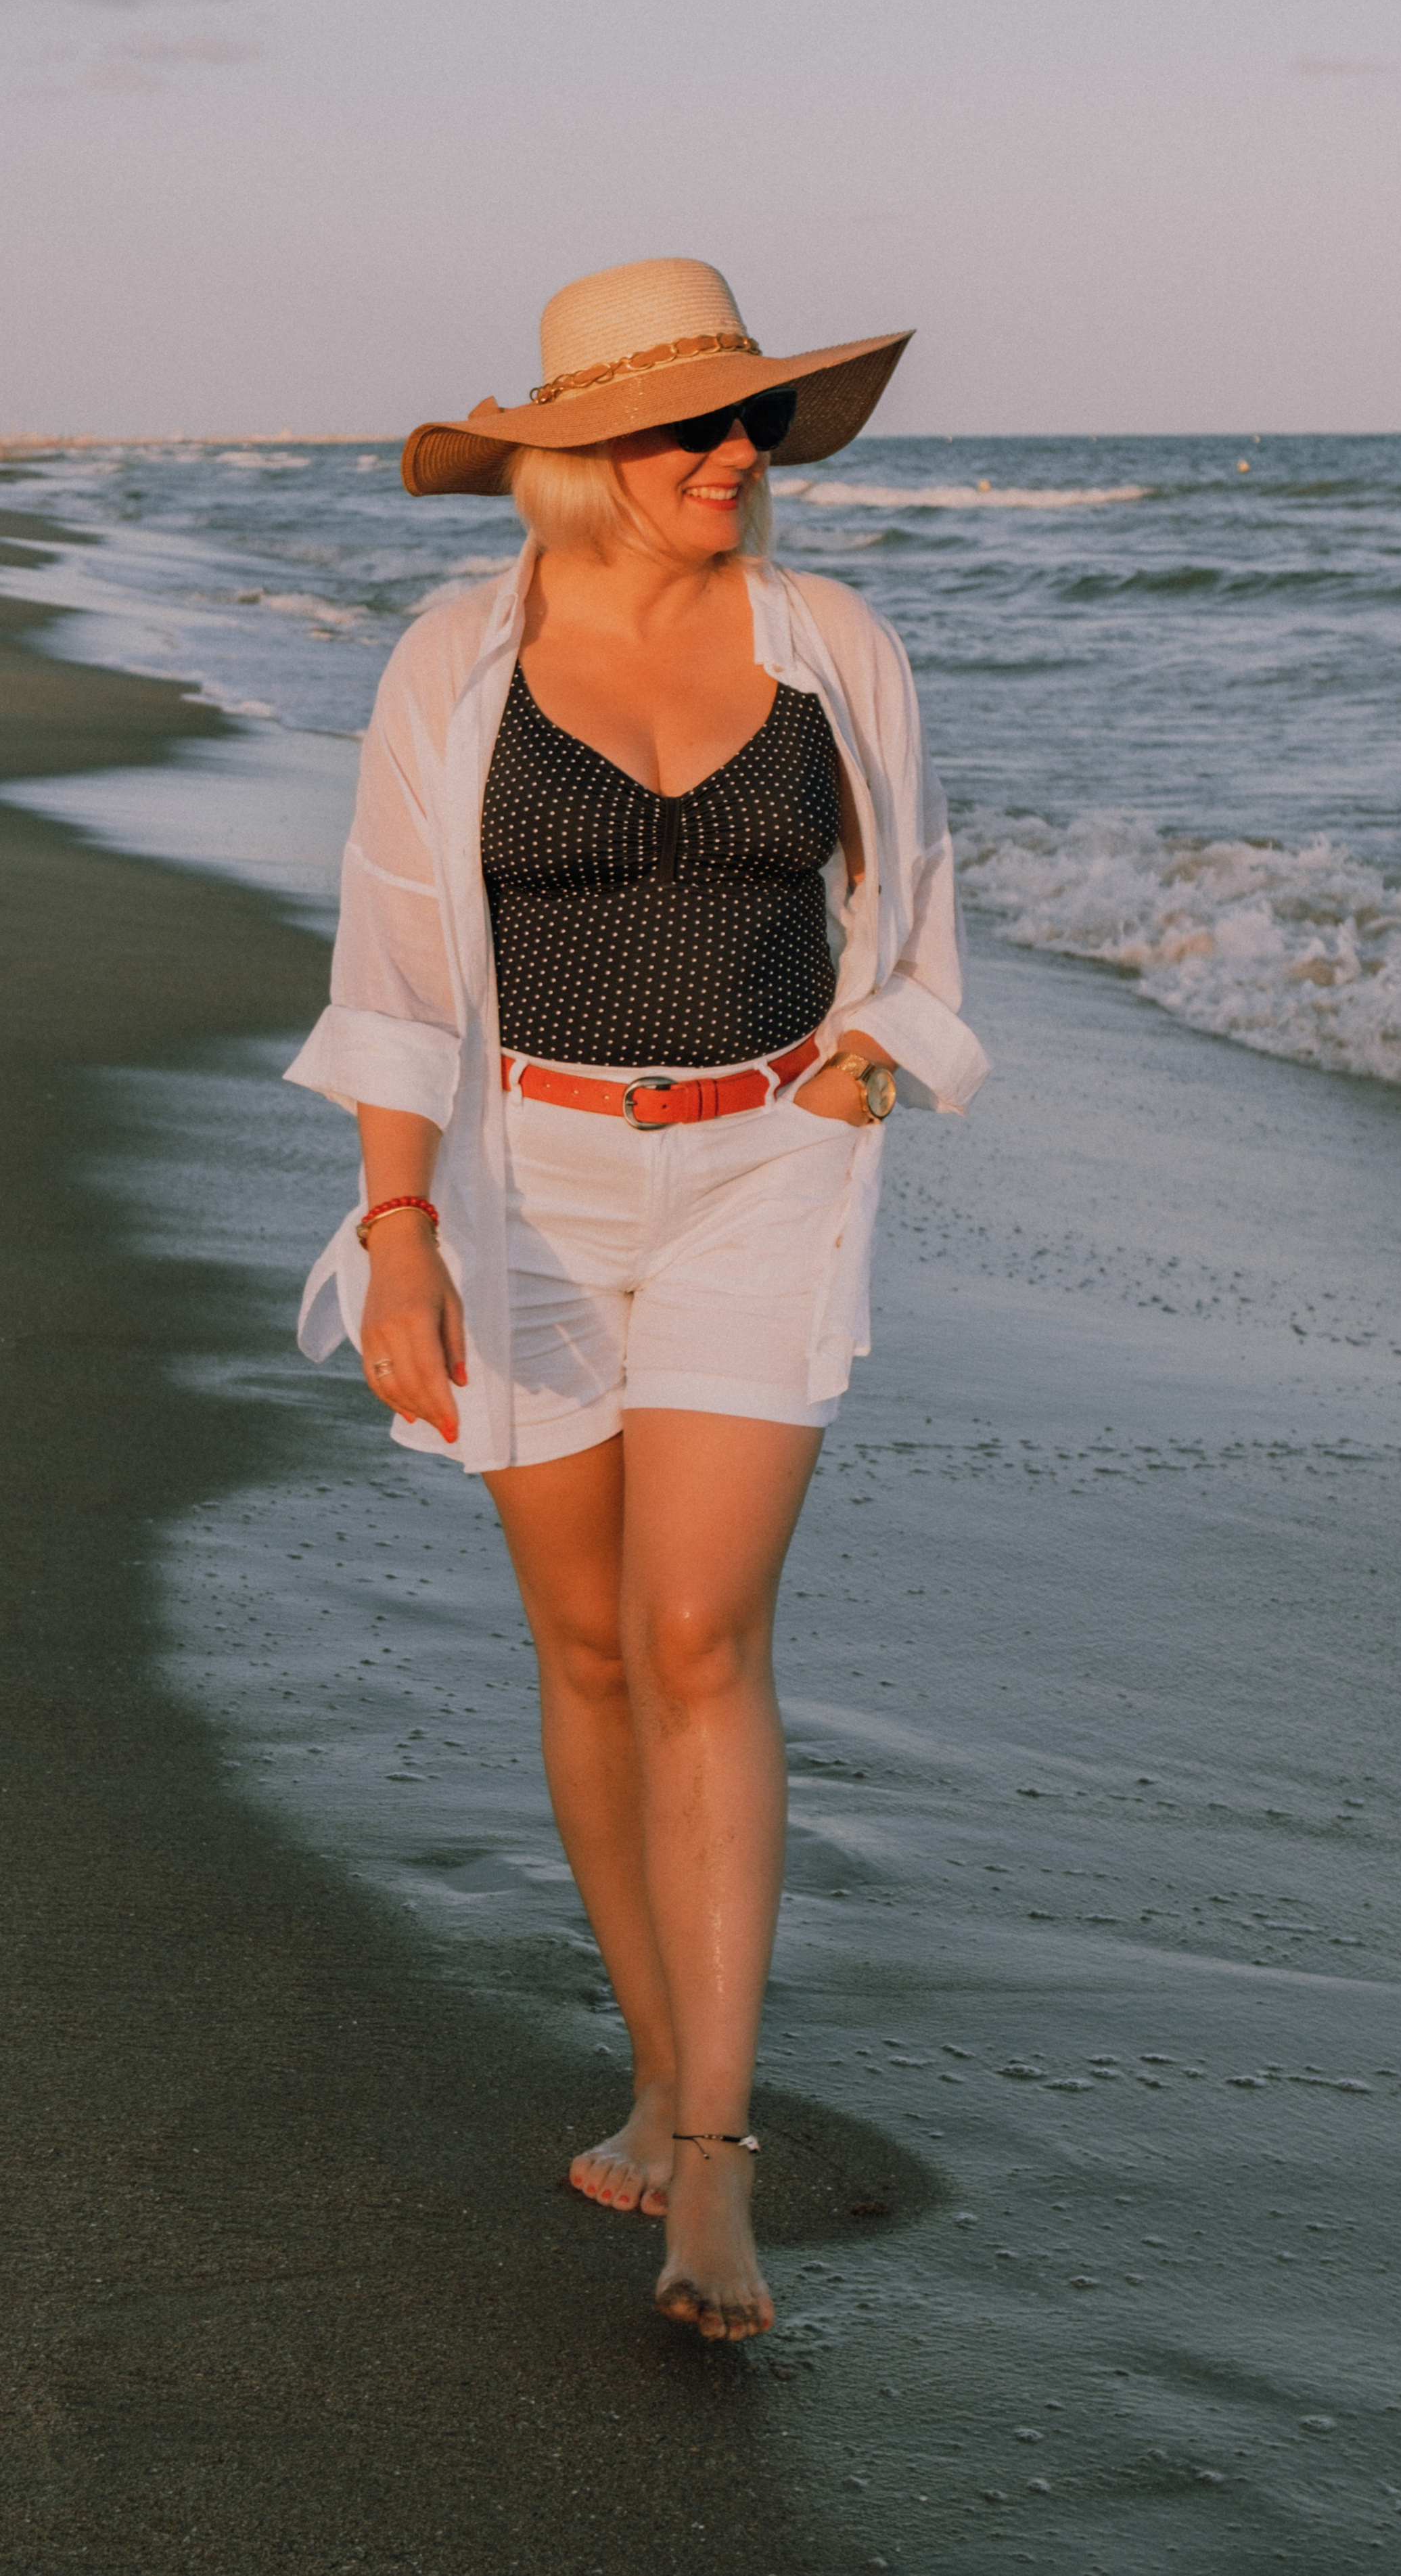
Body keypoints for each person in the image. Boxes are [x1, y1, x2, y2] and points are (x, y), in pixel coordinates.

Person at [285, 258, 988, 2342]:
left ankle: (715, 2157)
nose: (733, 461)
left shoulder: (830, 641)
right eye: (691, 430)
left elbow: (918, 891)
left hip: (768, 1167)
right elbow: (400, 966)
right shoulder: (456, 662)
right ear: (581, 462)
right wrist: (397, 1226)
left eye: (754, 423)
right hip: (524, 1182)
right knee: (587, 1641)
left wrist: (883, 1059)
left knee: (700, 1628)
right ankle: (655, 2055)